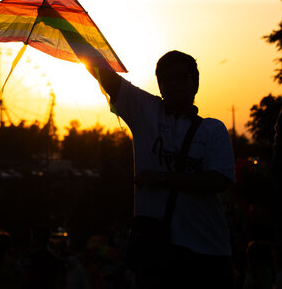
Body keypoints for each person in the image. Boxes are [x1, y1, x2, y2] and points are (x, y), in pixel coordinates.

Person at [87, 50, 235, 288]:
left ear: (195, 82)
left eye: (181, 77)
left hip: (208, 250)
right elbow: (101, 71)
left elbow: (219, 181)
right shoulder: (146, 112)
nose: (174, 83)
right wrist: (62, 20)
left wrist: (162, 178)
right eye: (167, 79)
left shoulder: (213, 130)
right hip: (157, 250)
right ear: (160, 85)